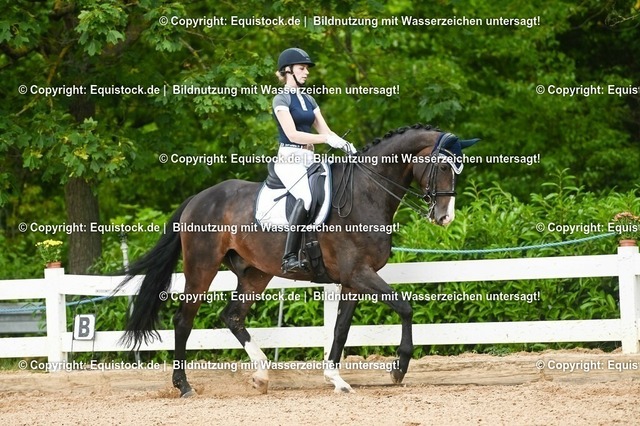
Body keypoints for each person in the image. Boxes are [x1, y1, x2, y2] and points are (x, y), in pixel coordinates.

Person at [272, 47, 353, 273]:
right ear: (288, 70)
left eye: (306, 68)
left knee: (334, 190)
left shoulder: (309, 99)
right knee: (306, 198)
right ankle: (289, 257)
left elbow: (326, 130)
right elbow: (292, 135)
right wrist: (326, 139)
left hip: (309, 158)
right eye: (302, 68)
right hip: (289, 159)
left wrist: (346, 145)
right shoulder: (281, 99)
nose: (306, 72)